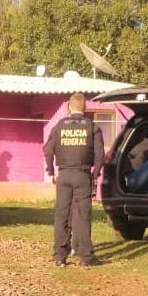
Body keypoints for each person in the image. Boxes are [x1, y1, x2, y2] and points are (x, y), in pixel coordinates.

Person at [44, 92, 104, 267]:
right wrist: (95, 175)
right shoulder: (92, 127)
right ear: (85, 108)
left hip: (63, 175)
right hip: (82, 174)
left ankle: (60, 256)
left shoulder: (59, 126)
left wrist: (50, 172)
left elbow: (48, 150)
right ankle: (85, 256)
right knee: (82, 215)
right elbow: (100, 155)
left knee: (61, 214)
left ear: (69, 107)